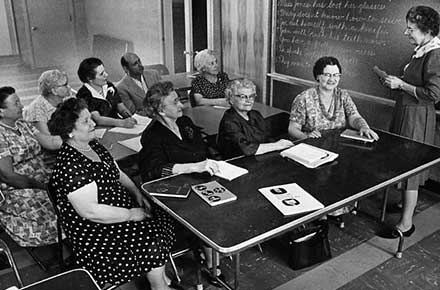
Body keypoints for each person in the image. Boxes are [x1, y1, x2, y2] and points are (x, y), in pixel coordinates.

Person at [47, 98, 178, 289]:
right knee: (150, 240)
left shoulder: (93, 145)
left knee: (162, 217)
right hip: (96, 229)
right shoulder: (70, 165)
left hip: (118, 210)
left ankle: (158, 275)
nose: (93, 123)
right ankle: (159, 285)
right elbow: (91, 212)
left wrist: (136, 192)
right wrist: (132, 214)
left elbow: (117, 173)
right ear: (70, 131)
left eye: (90, 118)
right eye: (85, 122)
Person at [138, 81, 224, 284]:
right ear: (160, 109)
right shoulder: (152, 135)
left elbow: (201, 149)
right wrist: (193, 167)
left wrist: (209, 163)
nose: (182, 105)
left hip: (199, 179)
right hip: (173, 189)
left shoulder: (184, 122)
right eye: (175, 102)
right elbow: (155, 170)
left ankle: (212, 249)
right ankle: (210, 257)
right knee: (206, 210)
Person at [379, 6, 440, 238]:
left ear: (427, 31)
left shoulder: (435, 54)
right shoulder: (421, 50)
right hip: (406, 112)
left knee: (410, 168)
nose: (406, 33)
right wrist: (396, 81)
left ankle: (406, 224)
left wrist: (401, 85)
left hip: (416, 117)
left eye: (411, 29)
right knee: (401, 163)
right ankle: (406, 205)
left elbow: (434, 94)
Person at [0, 86, 59, 247]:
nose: (21, 106)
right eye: (16, 103)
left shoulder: (22, 124)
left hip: (44, 177)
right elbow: (8, 176)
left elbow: (49, 141)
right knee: (52, 206)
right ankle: (66, 248)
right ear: (1, 111)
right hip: (18, 188)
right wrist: (41, 186)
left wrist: (77, 136)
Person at [288, 56, 379, 141]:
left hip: (338, 145)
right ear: (318, 76)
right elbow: (293, 129)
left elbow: (354, 117)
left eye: (336, 75)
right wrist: (306, 137)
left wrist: (364, 127)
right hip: (312, 146)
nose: (332, 79)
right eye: (327, 75)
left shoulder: (343, 95)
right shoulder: (304, 98)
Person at [217, 79, 293, 158]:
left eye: (251, 96)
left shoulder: (255, 114)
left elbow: (267, 138)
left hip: (258, 158)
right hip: (239, 162)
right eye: (243, 97)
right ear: (231, 99)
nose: (248, 101)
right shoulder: (229, 121)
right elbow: (246, 148)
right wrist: (277, 145)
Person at [76, 57, 137, 128]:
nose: (106, 75)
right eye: (101, 74)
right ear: (90, 79)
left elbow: (121, 107)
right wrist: (122, 123)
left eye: (104, 71)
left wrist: (129, 117)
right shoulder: (84, 94)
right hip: (101, 129)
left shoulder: (109, 86)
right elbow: (97, 119)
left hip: (118, 126)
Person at [23, 69, 71, 136]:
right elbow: (47, 137)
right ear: (54, 91)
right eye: (65, 85)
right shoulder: (37, 109)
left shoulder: (66, 99)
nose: (69, 87)